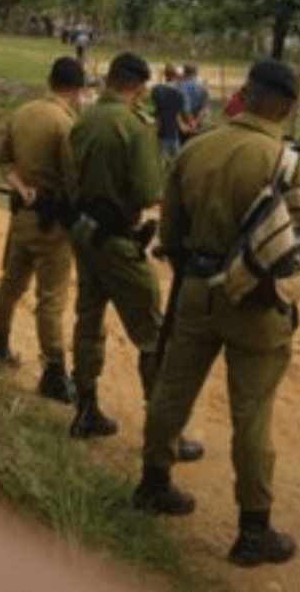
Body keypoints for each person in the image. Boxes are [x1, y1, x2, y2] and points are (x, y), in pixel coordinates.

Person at [133, 59, 300, 567]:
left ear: (246, 94)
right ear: (284, 106)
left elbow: (170, 236)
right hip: (257, 303)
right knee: (252, 415)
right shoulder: (286, 163)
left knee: (173, 391)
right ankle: (253, 529)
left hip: (196, 288)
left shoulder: (196, 149)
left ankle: (153, 484)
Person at [66, 52, 203, 461]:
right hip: (117, 237)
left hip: (84, 229)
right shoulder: (132, 125)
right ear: (138, 85)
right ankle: (165, 433)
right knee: (152, 332)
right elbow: (149, 192)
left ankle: (85, 408)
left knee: (88, 318)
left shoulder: (84, 118)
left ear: (110, 79)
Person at [0, 57, 85, 404]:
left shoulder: (22, 112)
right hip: (52, 223)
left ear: (50, 80)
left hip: (21, 216)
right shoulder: (66, 123)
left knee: (10, 284)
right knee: (51, 300)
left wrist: (20, 187)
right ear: (78, 90)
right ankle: (54, 374)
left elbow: (4, 161)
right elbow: (73, 179)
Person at [150, 63, 186, 168]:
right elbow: (178, 116)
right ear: (175, 76)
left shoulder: (157, 90)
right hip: (172, 134)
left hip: (159, 131)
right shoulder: (179, 94)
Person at [177, 64, 209, 135]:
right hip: (197, 125)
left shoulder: (178, 86)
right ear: (196, 73)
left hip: (182, 126)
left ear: (184, 73)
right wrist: (195, 122)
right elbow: (205, 109)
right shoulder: (202, 87)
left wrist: (189, 124)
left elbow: (183, 109)